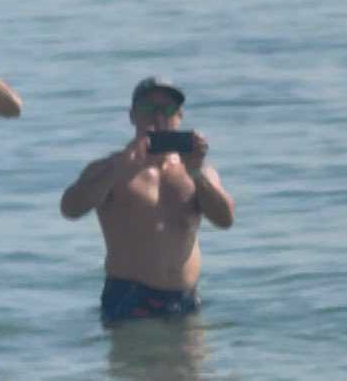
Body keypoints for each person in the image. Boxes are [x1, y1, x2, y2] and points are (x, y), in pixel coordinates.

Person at [59, 77, 234, 324]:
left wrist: (195, 172)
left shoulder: (198, 170)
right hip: (129, 298)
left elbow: (225, 220)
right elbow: (70, 208)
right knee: (134, 352)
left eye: (167, 110)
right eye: (147, 109)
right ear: (132, 116)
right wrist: (118, 170)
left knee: (194, 352)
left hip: (185, 299)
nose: (158, 118)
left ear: (180, 116)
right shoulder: (109, 168)